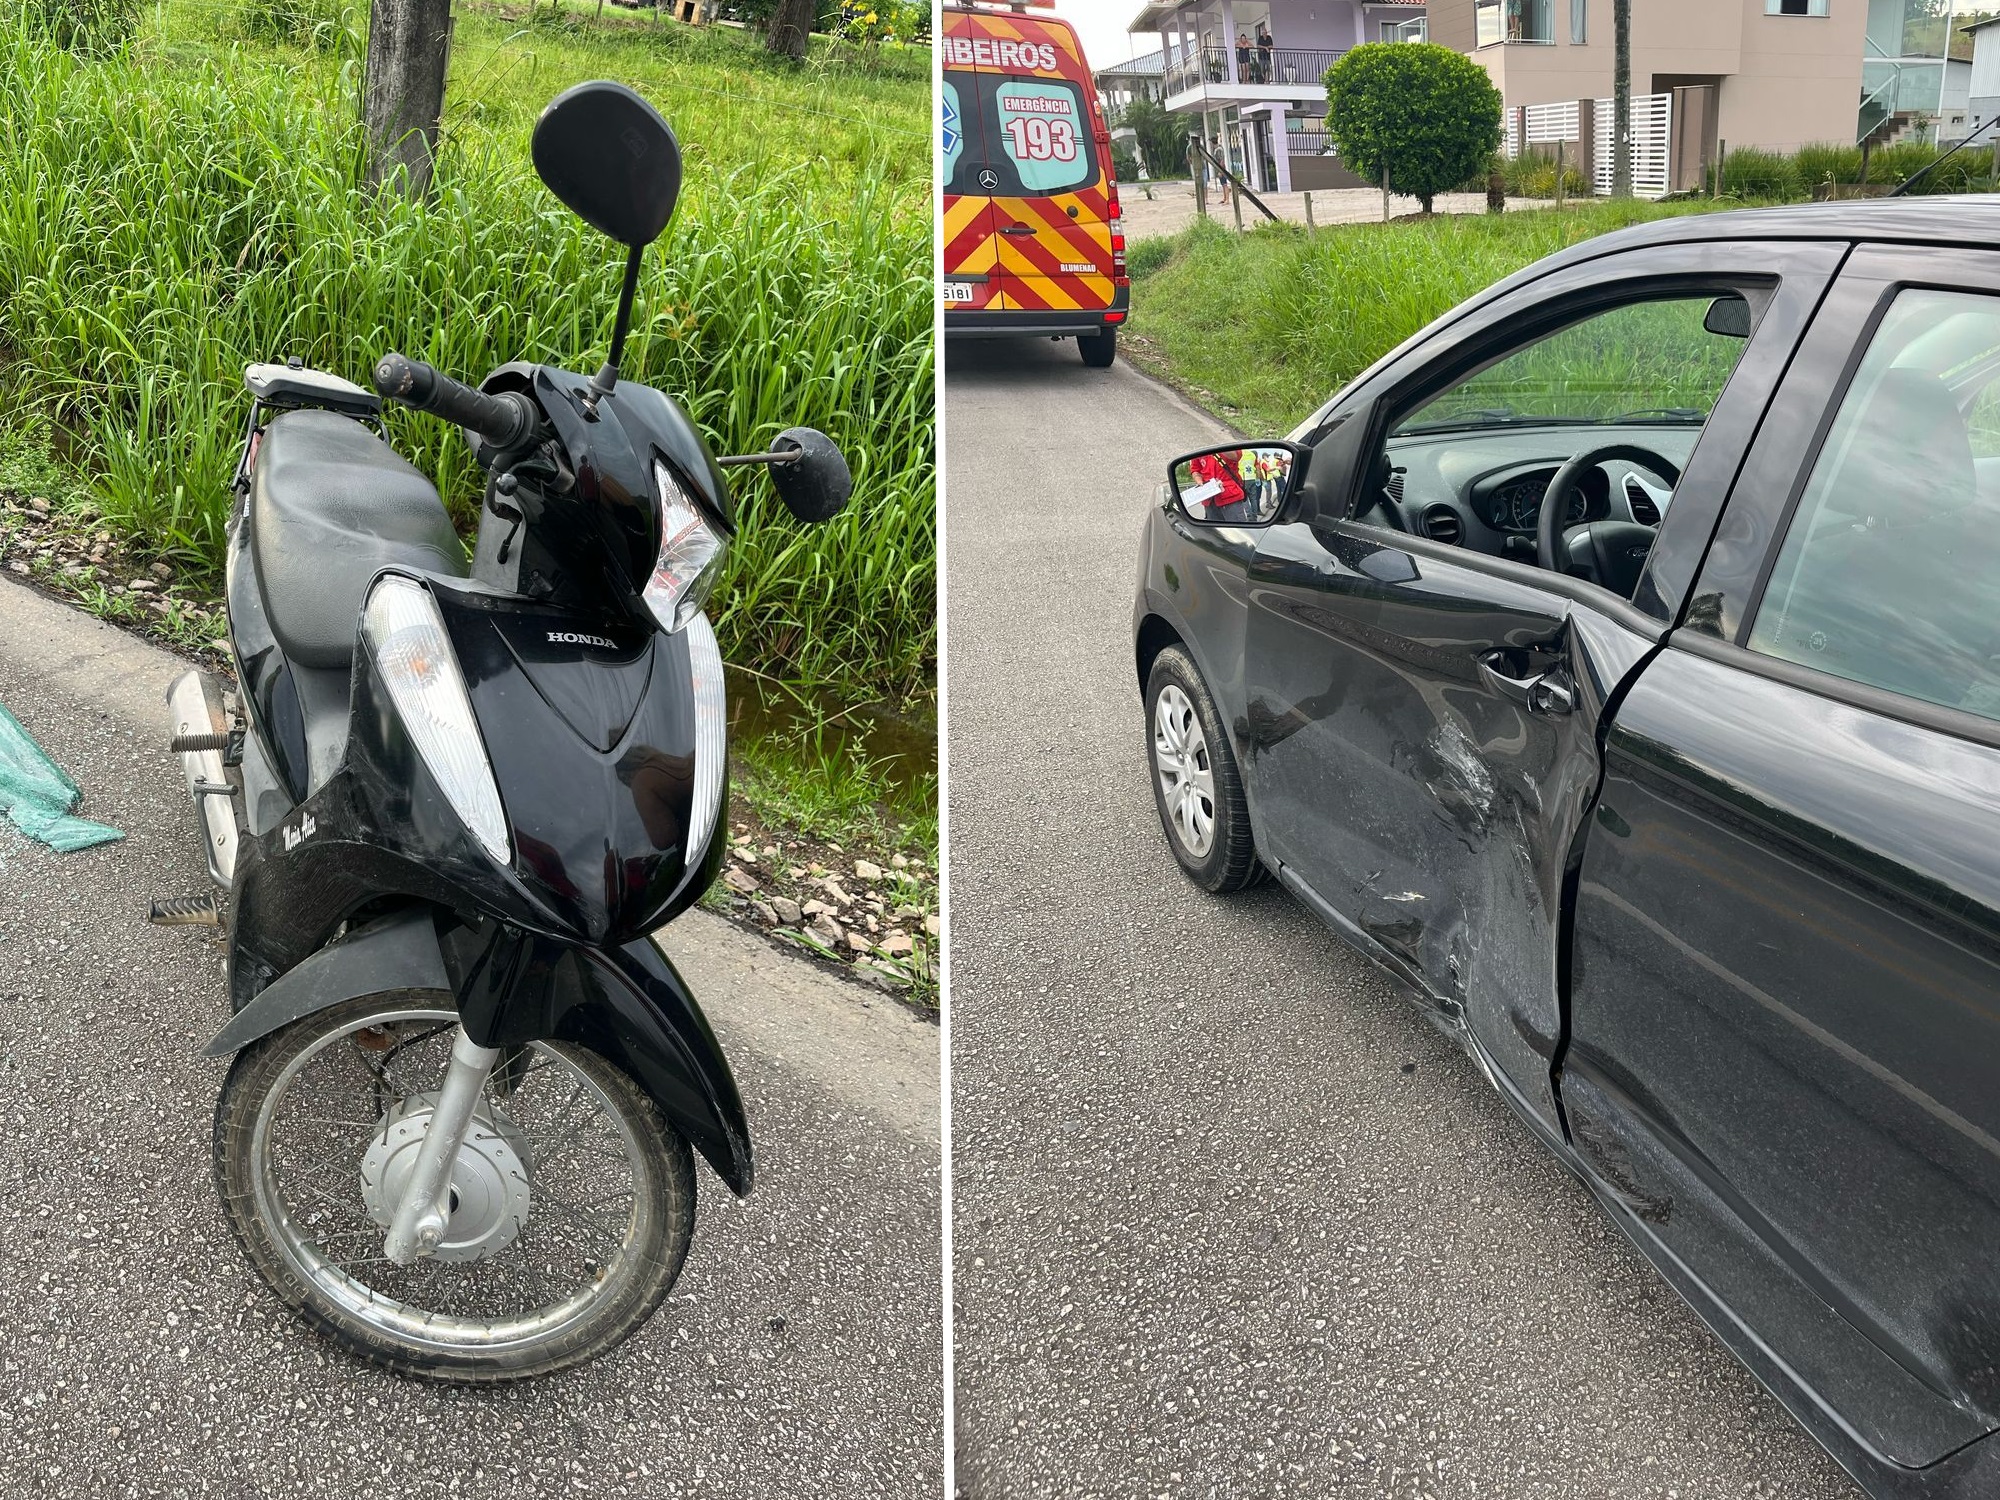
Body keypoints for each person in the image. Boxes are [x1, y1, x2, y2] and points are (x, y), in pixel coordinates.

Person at [1187, 450, 1247, 522]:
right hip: (1209, 498)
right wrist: (1199, 481)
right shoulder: (1199, 449)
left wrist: (1218, 446)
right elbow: (1195, 469)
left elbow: (1236, 456)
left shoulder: (1227, 444)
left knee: (1239, 530)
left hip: (1230, 497)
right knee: (1215, 531)